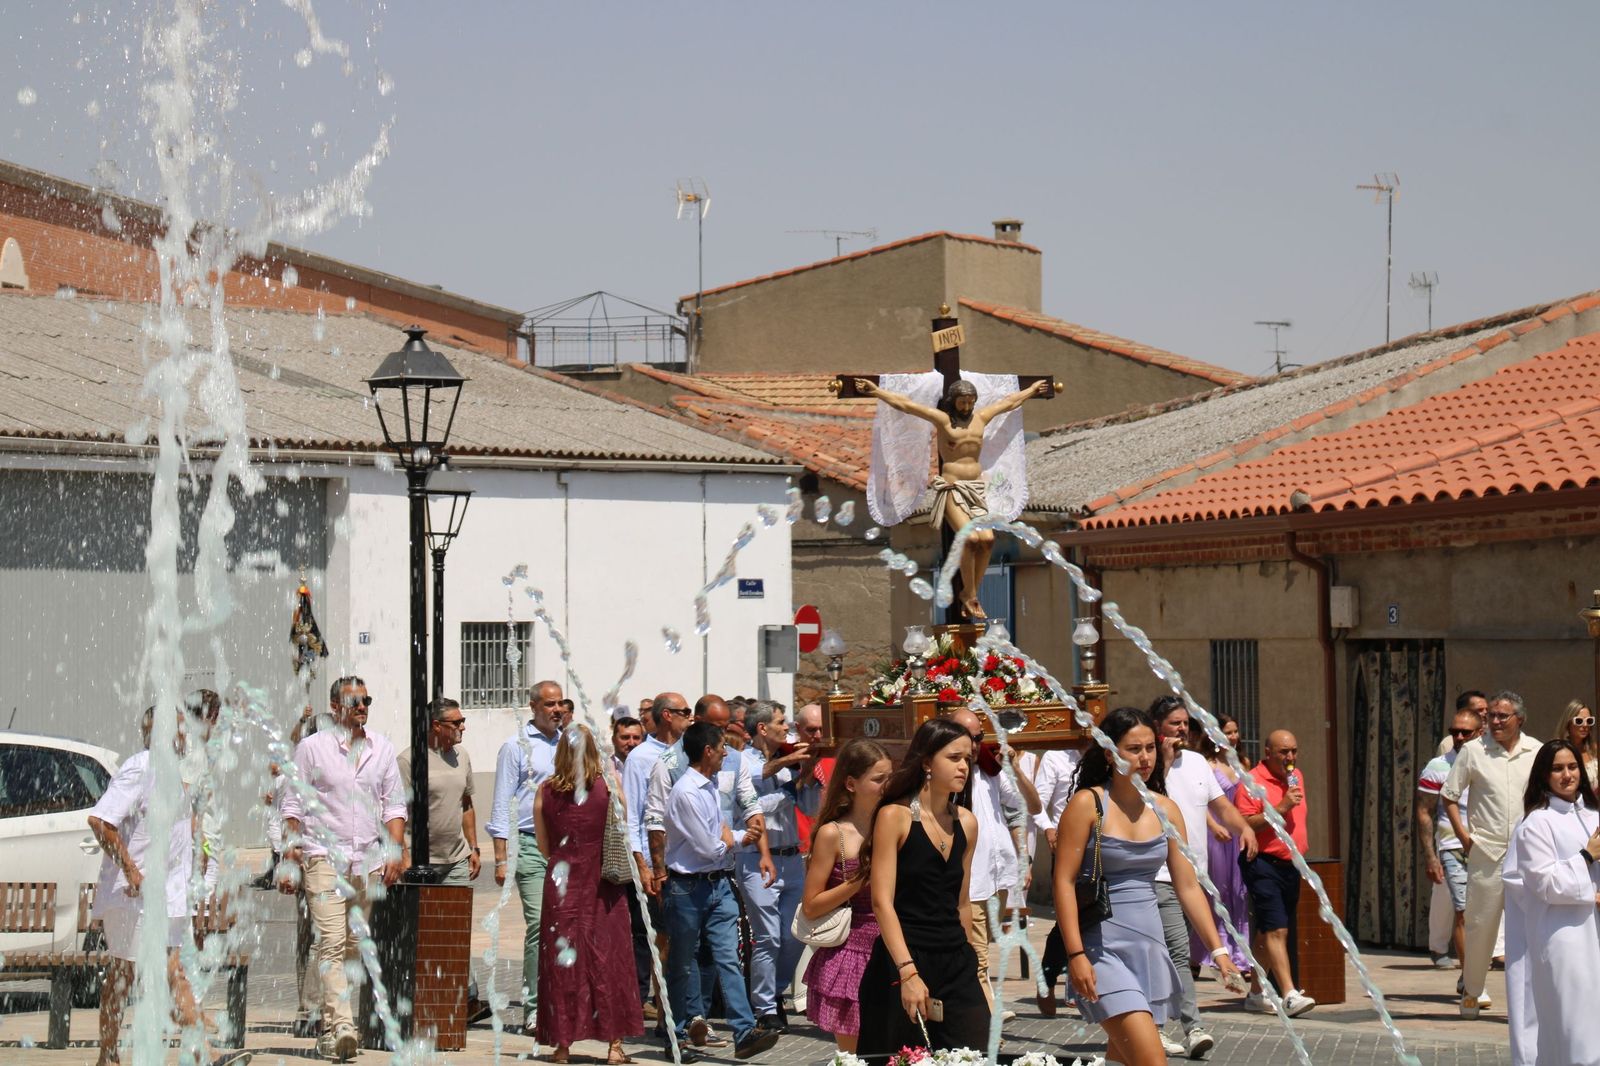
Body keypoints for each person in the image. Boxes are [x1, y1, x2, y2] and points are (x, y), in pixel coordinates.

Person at [1052, 707, 1242, 1066]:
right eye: (1133, 749)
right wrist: (1075, 955)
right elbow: (1062, 881)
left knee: (1122, 1059)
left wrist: (1219, 954)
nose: (1145, 758)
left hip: (1150, 948)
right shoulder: (1087, 804)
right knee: (1152, 1061)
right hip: (1101, 947)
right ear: (1110, 753)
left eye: (1150, 748)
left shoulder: (1166, 810)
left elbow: (1187, 886)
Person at [89, 706, 249, 1066]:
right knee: (132, 974)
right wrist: (131, 871)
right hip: (135, 896)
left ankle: (123, 1055)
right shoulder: (140, 768)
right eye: (179, 729)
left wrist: (198, 857)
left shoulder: (172, 774)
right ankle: (118, 1055)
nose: (184, 736)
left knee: (153, 974)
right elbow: (100, 820)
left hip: (165, 897)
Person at [279, 676, 406, 1061]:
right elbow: (292, 807)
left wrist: (395, 852)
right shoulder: (311, 749)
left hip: (366, 862)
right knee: (331, 942)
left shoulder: (381, 749)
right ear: (335, 707)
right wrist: (290, 854)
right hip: (322, 858)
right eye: (354, 701)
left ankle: (330, 1030)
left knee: (353, 947)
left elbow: (394, 806)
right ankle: (345, 1024)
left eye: (366, 699)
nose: (362, 706)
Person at [853, 375, 1049, 618]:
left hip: (976, 490)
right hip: (953, 488)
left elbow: (1008, 403)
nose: (966, 407)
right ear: (952, 401)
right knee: (969, 539)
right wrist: (876, 392)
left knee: (987, 540)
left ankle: (971, 591)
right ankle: (970, 593)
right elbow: (906, 405)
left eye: (970, 402)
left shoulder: (981, 418)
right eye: (962, 402)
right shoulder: (943, 421)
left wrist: (1030, 390)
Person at [856, 718, 988, 1057]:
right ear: (927, 762)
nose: (964, 766)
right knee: (903, 1059)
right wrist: (908, 972)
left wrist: (972, 962)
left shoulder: (967, 823)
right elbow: (882, 903)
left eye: (968, 760)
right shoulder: (894, 817)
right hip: (904, 957)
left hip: (956, 960)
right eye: (954, 757)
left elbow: (961, 902)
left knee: (972, 1055)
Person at [645, 695, 768, 1049]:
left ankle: (744, 1031)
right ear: (707, 749)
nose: (727, 748)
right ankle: (678, 1030)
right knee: (682, 962)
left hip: (719, 885)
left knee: (728, 957)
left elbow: (735, 818)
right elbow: (708, 845)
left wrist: (736, 837)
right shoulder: (681, 785)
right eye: (719, 740)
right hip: (686, 887)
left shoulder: (713, 783)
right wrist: (738, 838)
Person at [1147, 697, 1257, 1058]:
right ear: (1157, 726)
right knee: (1177, 951)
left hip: (1194, 875)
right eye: (1173, 724)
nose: (1181, 730)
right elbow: (1150, 798)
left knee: (1175, 954)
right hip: (1159, 873)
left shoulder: (1196, 763)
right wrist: (1160, 761)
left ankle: (1158, 1025)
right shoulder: (1147, 766)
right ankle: (1190, 1028)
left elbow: (1220, 806)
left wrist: (1244, 828)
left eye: (1185, 724)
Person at [533, 724, 644, 1064]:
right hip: (604, 884)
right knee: (610, 960)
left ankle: (563, 1046)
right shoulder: (608, 788)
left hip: (563, 883)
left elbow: (543, 845)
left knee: (561, 962)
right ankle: (614, 1046)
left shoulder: (545, 791)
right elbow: (625, 830)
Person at [1442, 689, 1540, 1018]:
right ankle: (1471, 993)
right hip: (1487, 850)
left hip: (1528, 853)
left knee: (1529, 927)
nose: (1495, 722)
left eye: (1502, 716)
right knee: (1480, 925)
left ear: (1520, 720)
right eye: (1491, 716)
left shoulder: (1536, 751)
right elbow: (1449, 795)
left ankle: (1530, 1001)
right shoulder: (1473, 751)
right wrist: (1464, 835)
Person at [1503, 739, 1600, 1066]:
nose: (1567, 775)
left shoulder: (1590, 814)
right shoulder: (1535, 824)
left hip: (1593, 932)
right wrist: (1586, 856)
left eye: (1572, 767)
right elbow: (1544, 883)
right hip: (1564, 939)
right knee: (1573, 1028)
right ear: (1544, 775)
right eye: (1558, 768)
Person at [945, 707, 1041, 1019]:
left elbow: (1029, 806)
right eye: (967, 738)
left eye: (979, 737)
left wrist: (1015, 769)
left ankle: (970, 1007)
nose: (974, 745)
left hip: (997, 875)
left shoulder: (990, 768)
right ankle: (985, 1017)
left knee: (981, 948)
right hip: (966, 879)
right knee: (978, 956)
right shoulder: (943, 773)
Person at [800, 738, 892, 1051]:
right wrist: (859, 879)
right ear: (851, 783)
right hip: (853, 949)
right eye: (879, 779)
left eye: (889, 777)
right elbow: (811, 906)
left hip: (895, 943)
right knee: (856, 1052)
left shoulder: (896, 823)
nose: (886, 785)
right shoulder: (833, 833)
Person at [398, 697, 487, 1020]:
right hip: (421, 863)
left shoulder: (461, 756)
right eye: (457, 723)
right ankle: (419, 1002)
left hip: (456, 858)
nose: (463, 727)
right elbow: (396, 811)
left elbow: (466, 804)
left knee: (455, 929)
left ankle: (466, 1000)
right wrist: (403, 853)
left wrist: (474, 847)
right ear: (437, 726)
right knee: (423, 933)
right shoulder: (410, 761)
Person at [487, 680, 564, 1035]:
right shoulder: (515, 746)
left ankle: (562, 1003)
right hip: (530, 845)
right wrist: (501, 857)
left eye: (560, 703)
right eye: (549, 704)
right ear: (533, 706)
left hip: (566, 846)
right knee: (539, 924)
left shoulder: (569, 744)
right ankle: (535, 1008)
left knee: (565, 926)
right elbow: (502, 801)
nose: (556, 709)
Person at [739, 700, 814, 1031]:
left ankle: (776, 992)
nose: (788, 728)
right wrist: (791, 789)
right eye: (782, 722)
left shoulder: (787, 765)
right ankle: (765, 1007)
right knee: (768, 936)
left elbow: (809, 808)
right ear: (762, 728)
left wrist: (810, 778)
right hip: (756, 860)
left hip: (791, 858)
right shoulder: (740, 760)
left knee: (794, 934)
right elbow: (753, 804)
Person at [1233, 729, 1315, 1017]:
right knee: (1277, 929)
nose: (1290, 757)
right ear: (1268, 753)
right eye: (1283, 752)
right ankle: (1289, 993)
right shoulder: (1251, 782)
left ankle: (1256, 993)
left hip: (1290, 865)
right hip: (1262, 863)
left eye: (1293, 751)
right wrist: (1280, 807)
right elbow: (1244, 824)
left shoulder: (1296, 777)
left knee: (1269, 931)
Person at [1417, 701, 1485, 971]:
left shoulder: (1492, 762)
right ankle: (1469, 980)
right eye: (1454, 731)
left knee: (1485, 914)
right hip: (1453, 847)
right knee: (1464, 912)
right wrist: (1430, 857)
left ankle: (1478, 968)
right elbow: (1424, 811)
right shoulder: (1438, 766)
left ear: (1480, 733)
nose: (1458, 737)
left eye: (1465, 732)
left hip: (1489, 847)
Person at [1191, 713, 1256, 983]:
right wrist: (1212, 826)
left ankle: (1240, 954)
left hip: (1236, 831)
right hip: (1215, 833)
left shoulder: (1242, 762)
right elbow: (1202, 800)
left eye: (1235, 731)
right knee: (1218, 891)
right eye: (1227, 732)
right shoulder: (1206, 764)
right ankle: (1208, 951)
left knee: (1239, 892)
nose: (1233, 737)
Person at [1032, 745, 1083, 1015]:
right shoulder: (1055, 757)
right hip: (1067, 846)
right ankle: (1048, 979)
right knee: (1069, 919)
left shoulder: (1109, 751)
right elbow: (1037, 803)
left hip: (1102, 844)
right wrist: (1049, 829)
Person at [1557, 699, 1599, 783]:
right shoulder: (1557, 751)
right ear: (1568, 723)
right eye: (1579, 721)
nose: (1585, 725)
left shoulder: (1595, 749)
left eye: (1589, 721)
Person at [611, 716, 644, 780]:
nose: (631, 743)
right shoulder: (604, 769)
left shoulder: (649, 767)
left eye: (636, 738)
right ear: (613, 740)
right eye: (625, 737)